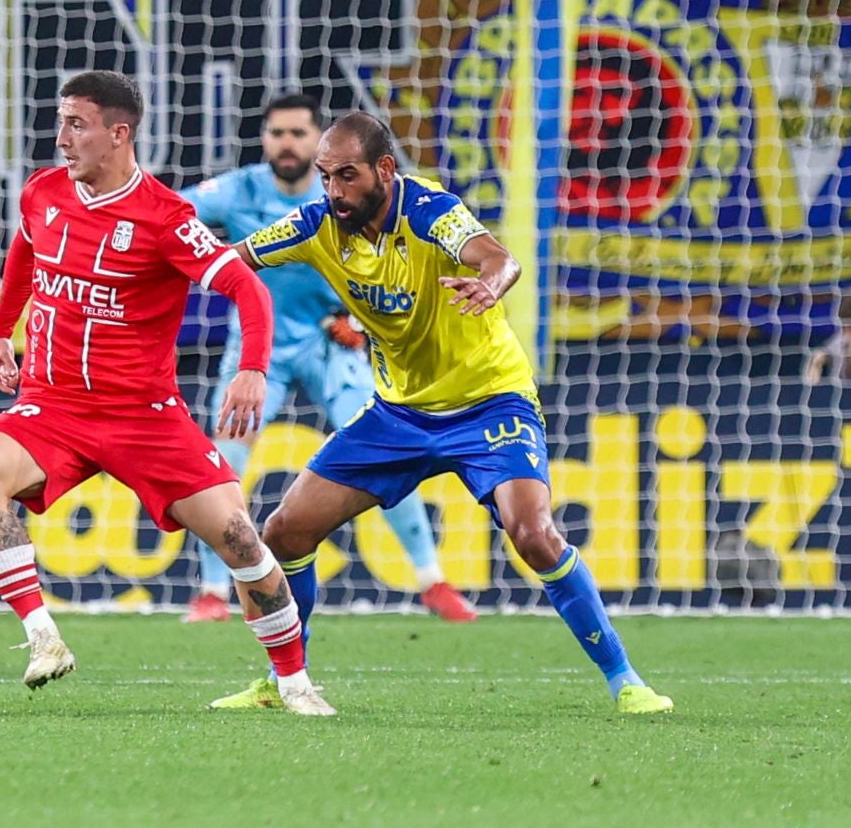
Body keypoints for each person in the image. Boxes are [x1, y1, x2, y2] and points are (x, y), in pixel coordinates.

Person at [206, 111, 673, 716]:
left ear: (384, 169)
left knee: (532, 535)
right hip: (399, 414)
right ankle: (283, 679)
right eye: (325, 177)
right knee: (284, 532)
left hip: (489, 403)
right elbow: (228, 263)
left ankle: (626, 680)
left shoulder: (429, 210)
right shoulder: (318, 224)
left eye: (346, 176)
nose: (334, 192)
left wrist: (491, 283)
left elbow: (497, 257)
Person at [0, 69, 334, 716]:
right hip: (53, 408)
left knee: (242, 540)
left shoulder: (165, 217)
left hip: (145, 419)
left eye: (77, 123)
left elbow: (248, 289)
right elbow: (24, 254)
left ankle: (294, 684)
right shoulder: (44, 193)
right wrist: (0, 331)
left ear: (118, 133)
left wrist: (252, 368)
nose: (62, 136)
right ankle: (43, 637)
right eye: (61, 120)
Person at [178, 95, 474, 627]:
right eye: (276, 133)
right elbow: (174, 215)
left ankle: (433, 581)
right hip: (256, 347)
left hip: (327, 342)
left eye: (297, 133)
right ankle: (211, 592)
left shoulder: (345, 196)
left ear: (319, 142)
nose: (286, 143)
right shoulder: (238, 189)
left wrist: (355, 320)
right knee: (222, 465)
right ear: (265, 140)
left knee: (386, 455)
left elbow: (388, 267)